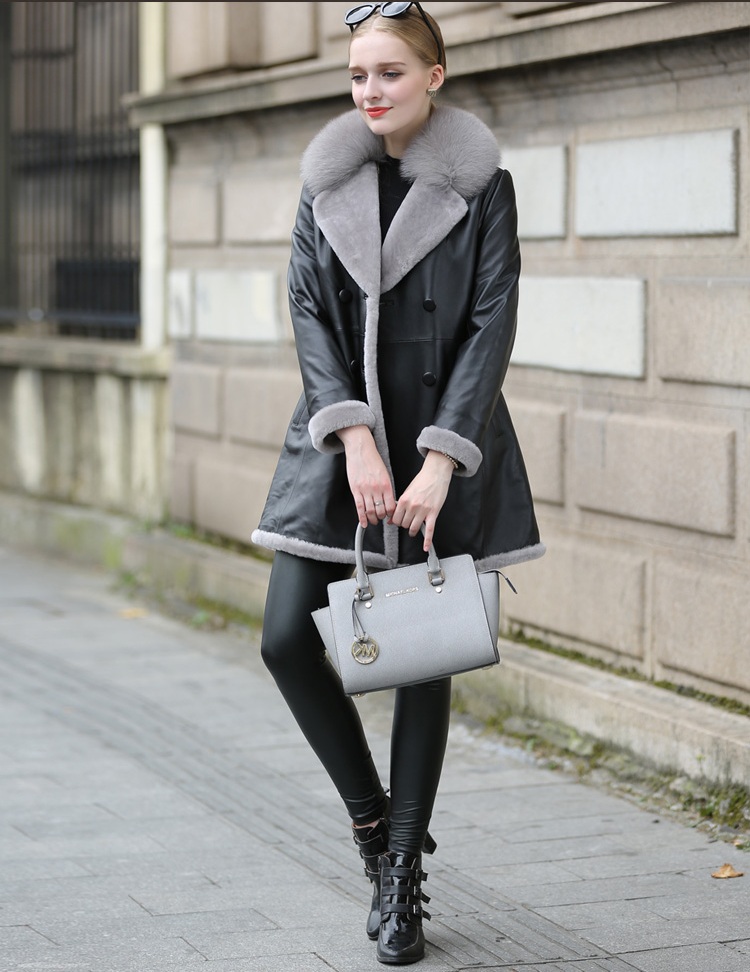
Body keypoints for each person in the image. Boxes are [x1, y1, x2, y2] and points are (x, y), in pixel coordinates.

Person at [251, 2, 544, 964]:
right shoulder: (325, 182)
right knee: (285, 638)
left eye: (389, 72)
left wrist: (439, 459)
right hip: (340, 444)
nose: (370, 91)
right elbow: (307, 311)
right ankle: (375, 825)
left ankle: (404, 878)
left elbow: (492, 324)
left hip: (441, 447)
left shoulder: (483, 188)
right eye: (357, 76)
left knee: (424, 652)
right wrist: (356, 440)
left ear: (434, 76)